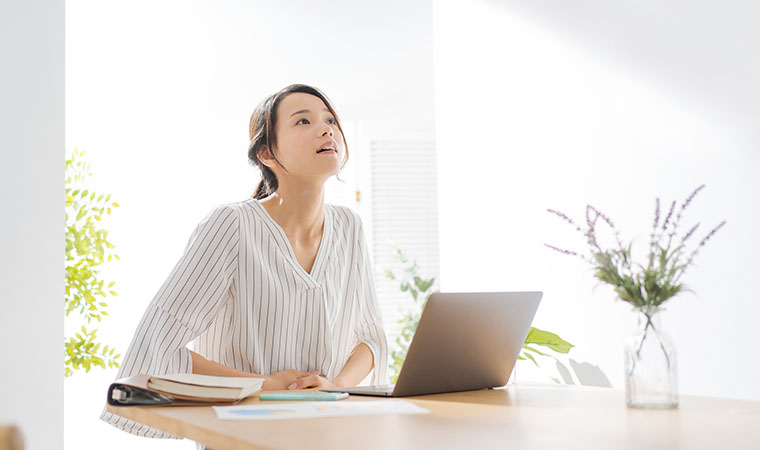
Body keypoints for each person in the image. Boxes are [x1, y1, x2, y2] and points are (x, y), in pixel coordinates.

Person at [100, 84, 389, 439]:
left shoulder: (350, 227)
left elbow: (370, 340)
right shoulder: (232, 226)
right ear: (267, 153)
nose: (327, 128)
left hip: (326, 431)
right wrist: (263, 384)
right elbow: (159, 343)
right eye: (303, 121)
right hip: (244, 436)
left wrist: (336, 386)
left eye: (331, 119)